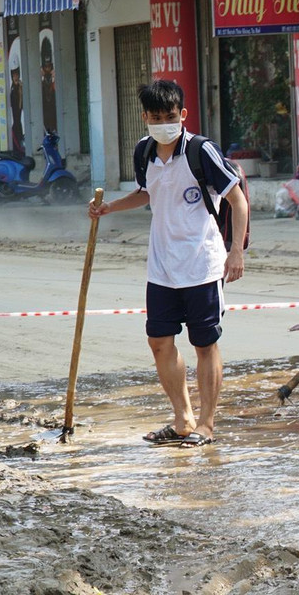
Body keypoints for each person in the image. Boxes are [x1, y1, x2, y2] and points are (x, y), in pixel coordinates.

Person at [88, 79, 246, 447]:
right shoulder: (144, 151)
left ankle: (206, 424)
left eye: (170, 116)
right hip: (161, 267)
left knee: (204, 344)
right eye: (156, 116)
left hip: (202, 264)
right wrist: (109, 207)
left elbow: (236, 200)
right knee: (159, 341)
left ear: (183, 115)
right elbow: (146, 193)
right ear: (144, 117)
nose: (163, 122)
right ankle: (182, 419)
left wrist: (235, 250)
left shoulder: (201, 151)